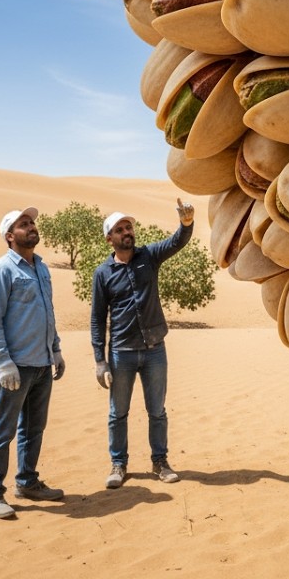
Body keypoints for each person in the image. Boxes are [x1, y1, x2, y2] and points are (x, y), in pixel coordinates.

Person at [90, 199, 195, 489]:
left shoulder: (149, 256)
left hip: (154, 351)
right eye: (120, 229)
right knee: (117, 413)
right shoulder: (102, 274)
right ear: (109, 238)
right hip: (121, 353)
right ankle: (118, 464)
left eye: (129, 227)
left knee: (157, 411)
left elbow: (177, 242)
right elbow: (98, 319)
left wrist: (186, 223)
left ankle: (160, 461)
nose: (127, 232)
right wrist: (100, 360)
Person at [0, 206, 67, 519]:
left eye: (31, 223)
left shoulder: (41, 268)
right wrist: (3, 362)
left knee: (34, 428)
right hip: (15, 368)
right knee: (3, 431)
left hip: (42, 364)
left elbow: (48, 312)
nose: (31, 227)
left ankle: (27, 481)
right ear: (9, 235)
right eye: (23, 224)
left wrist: (55, 349)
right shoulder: (2, 270)